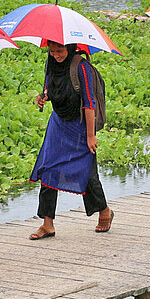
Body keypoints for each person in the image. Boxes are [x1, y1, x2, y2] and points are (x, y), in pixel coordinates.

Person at [29, 41, 113, 240]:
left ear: (69, 48)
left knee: (87, 173)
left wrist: (91, 135)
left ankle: (104, 211)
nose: (56, 55)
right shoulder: (51, 63)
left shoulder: (81, 66)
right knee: (48, 168)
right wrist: (44, 97)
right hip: (58, 124)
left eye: (60, 51)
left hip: (80, 125)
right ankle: (47, 224)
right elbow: (55, 90)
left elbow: (89, 102)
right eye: (52, 51)